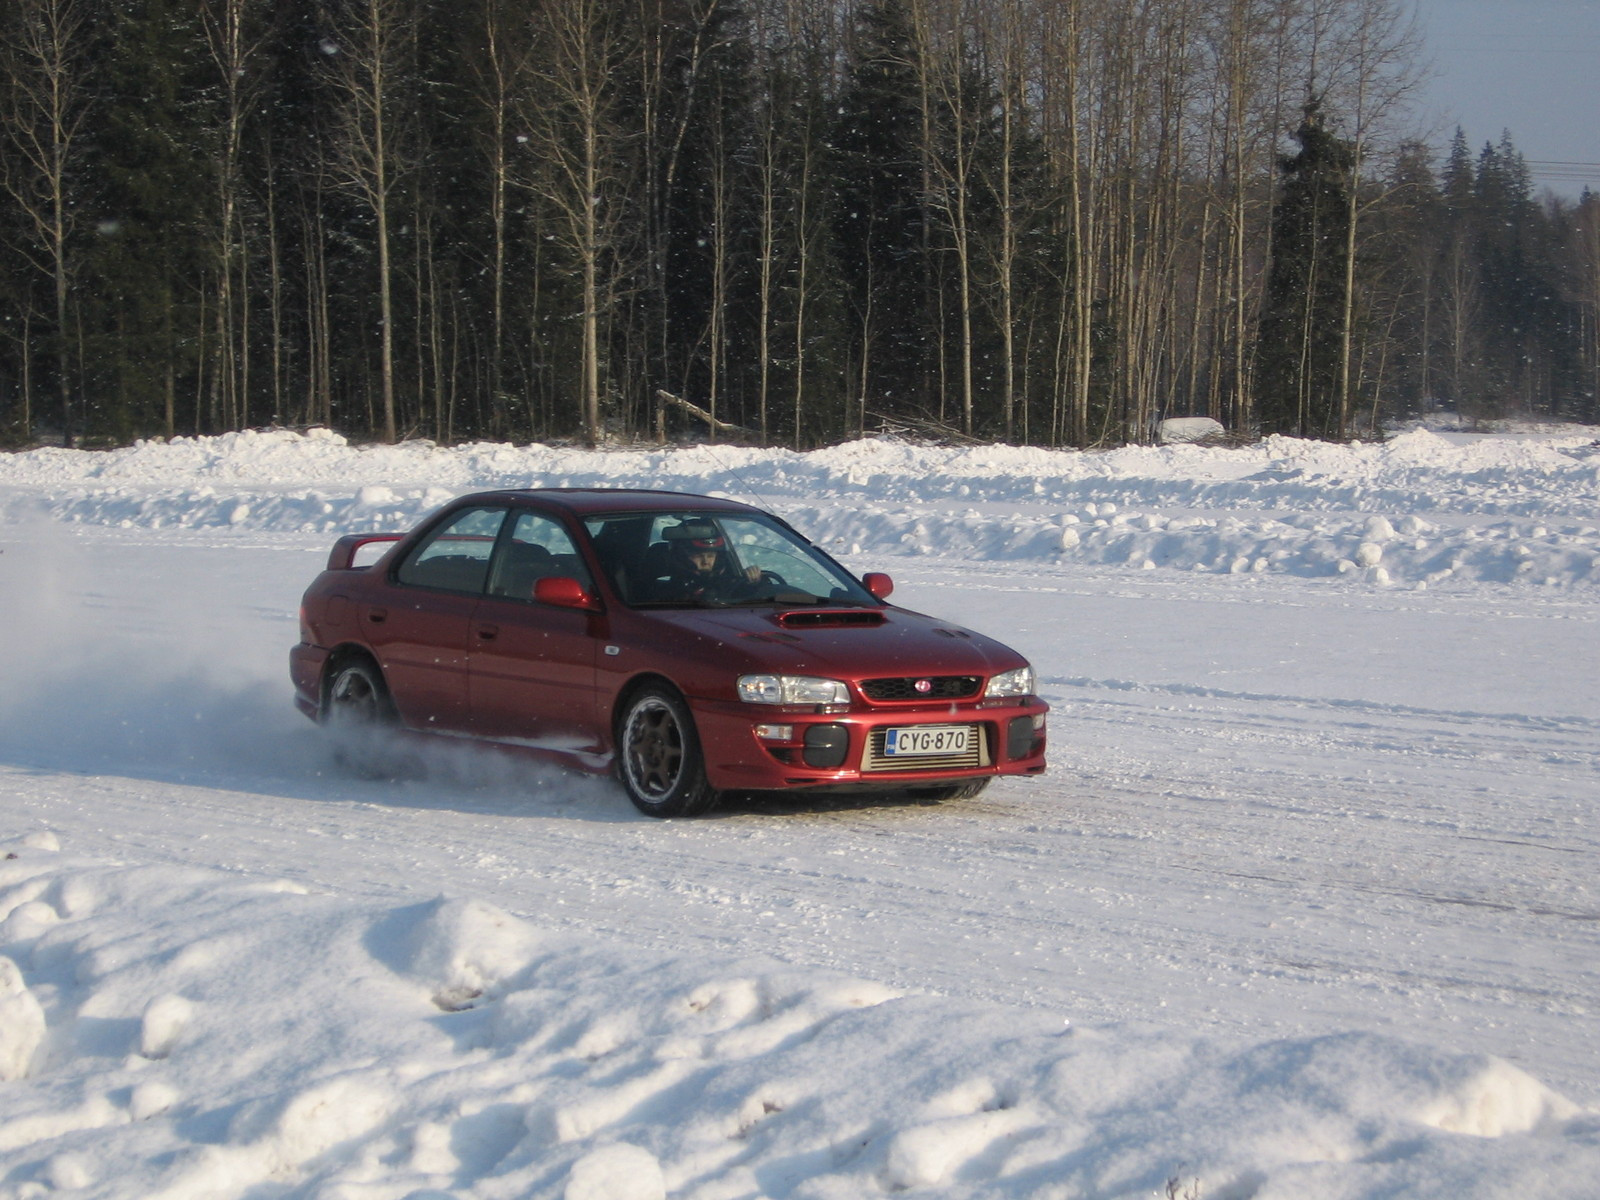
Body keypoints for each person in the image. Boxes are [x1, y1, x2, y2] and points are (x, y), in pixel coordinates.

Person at [661, 521, 761, 601]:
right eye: (698, 556)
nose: (705, 562)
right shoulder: (670, 590)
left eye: (710, 556)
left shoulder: (731, 579)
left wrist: (752, 583)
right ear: (682, 556)